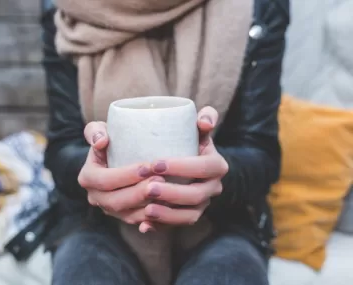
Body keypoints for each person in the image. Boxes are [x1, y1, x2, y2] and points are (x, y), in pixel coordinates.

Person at [41, 0, 289, 284]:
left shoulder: (258, 6)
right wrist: (96, 172)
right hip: (94, 223)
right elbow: (62, 147)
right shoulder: (70, 7)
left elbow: (262, 154)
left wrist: (212, 176)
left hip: (221, 225)